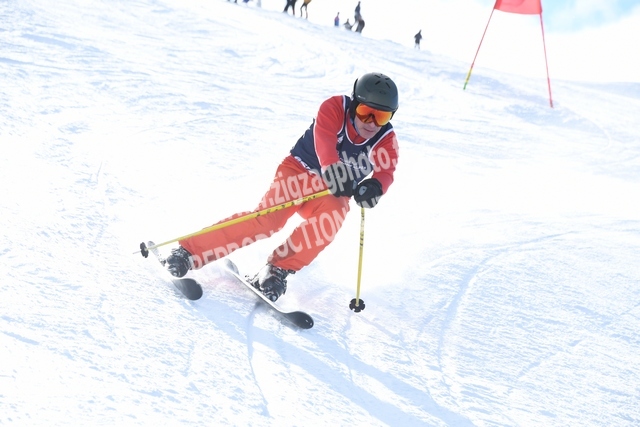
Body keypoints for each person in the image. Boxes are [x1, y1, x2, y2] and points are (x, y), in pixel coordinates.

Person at [164, 73, 400, 302]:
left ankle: (277, 270)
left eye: (381, 117)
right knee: (267, 221)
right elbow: (325, 143)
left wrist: (375, 187)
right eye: (366, 113)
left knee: (332, 217)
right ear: (354, 105)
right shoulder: (335, 108)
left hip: (330, 192)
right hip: (298, 172)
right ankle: (188, 252)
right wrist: (332, 169)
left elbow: (386, 172)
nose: (372, 123)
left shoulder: (385, 140)